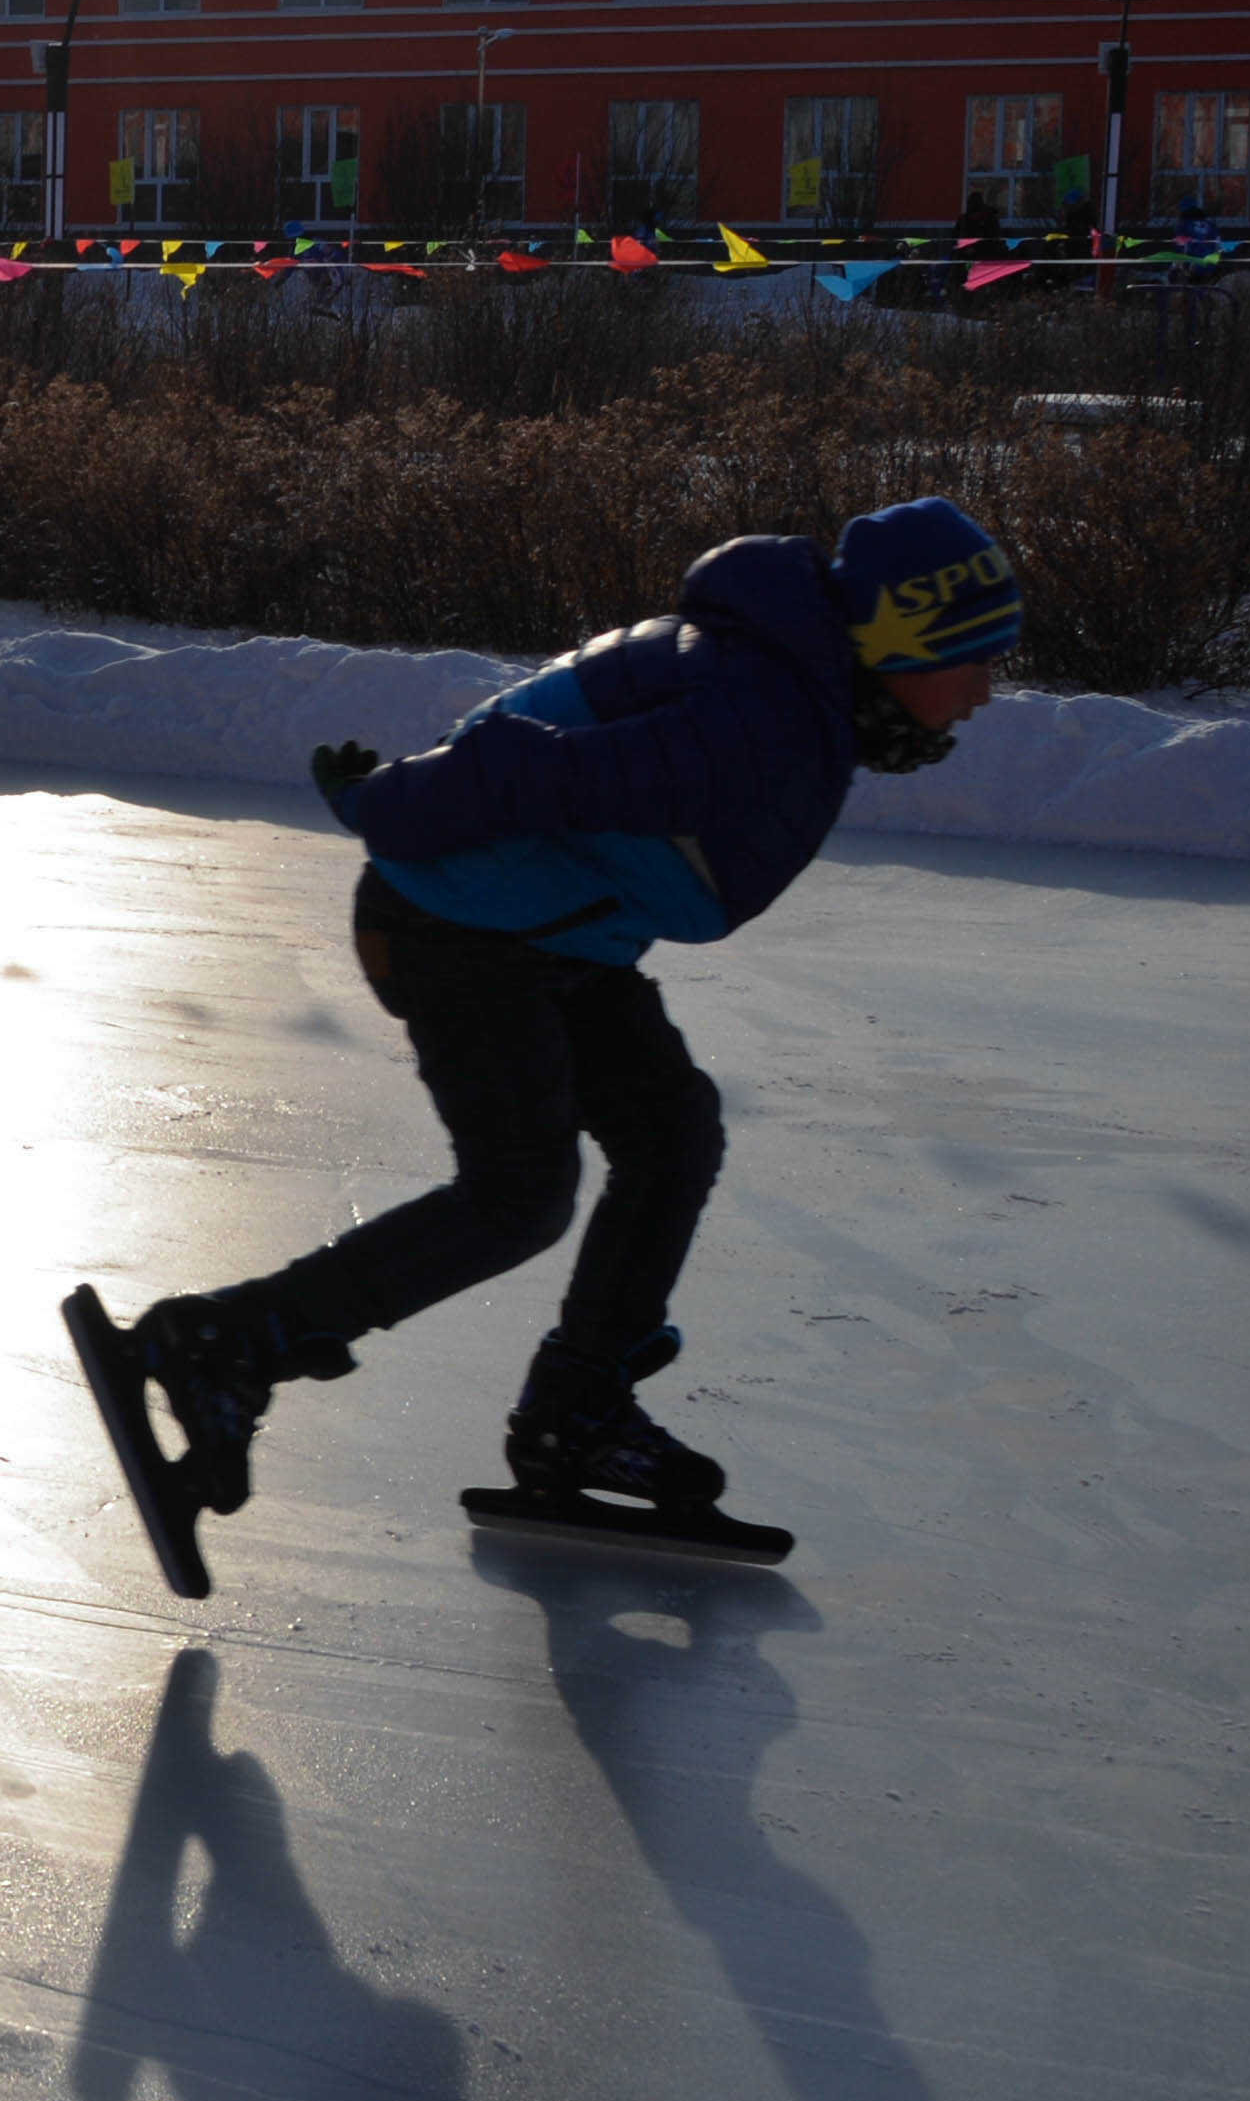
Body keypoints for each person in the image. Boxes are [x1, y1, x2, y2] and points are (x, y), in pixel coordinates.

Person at [58, 498, 1024, 1595]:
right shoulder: (758, 713)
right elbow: (544, 771)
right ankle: (225, 1342)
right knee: (518, 1194)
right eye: (975, 659)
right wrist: (395, 802)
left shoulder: (787, 691)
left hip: (547, 940)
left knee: (670, 1128)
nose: (985, 692)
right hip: (454, 931)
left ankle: (577, 1409)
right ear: (902, 640)